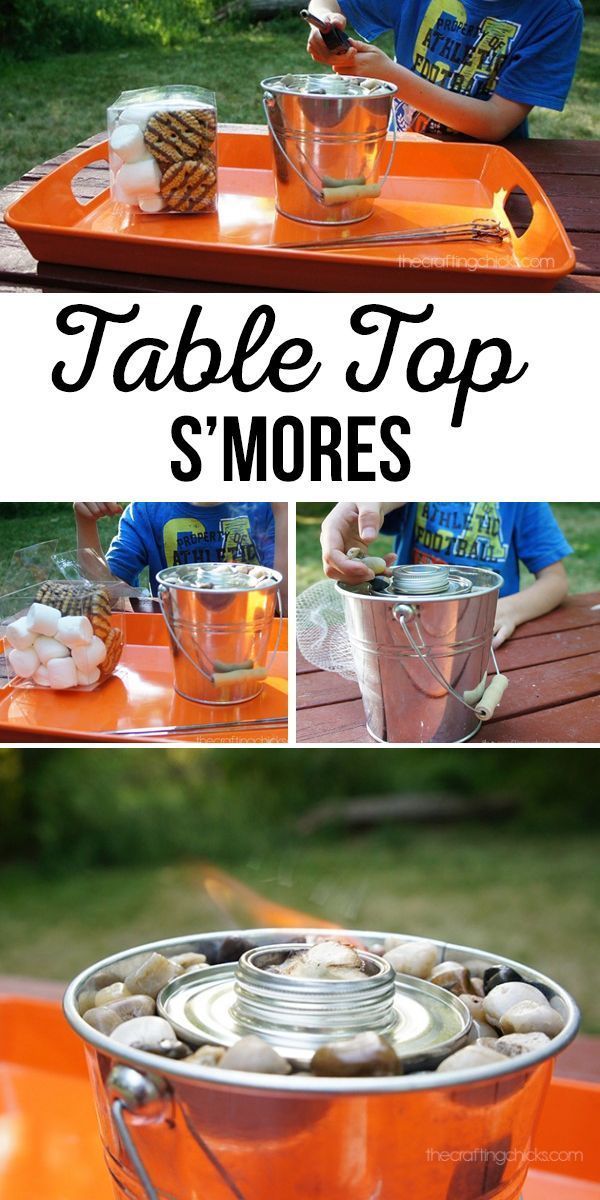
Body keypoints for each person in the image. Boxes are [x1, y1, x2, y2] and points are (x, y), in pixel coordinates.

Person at [306, 0, 583, 141]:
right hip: (400, 149)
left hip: (484, 174)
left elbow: (496, 122)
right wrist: (322, 24)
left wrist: (390, 75)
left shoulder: (557, 13)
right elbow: (328, 1)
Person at [321, 501, 571, 646]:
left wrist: (505, 611)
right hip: (407, 629)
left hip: (481, 637)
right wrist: (362, 501)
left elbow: (555, 580)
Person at [73, 502, 288, 612]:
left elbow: (283, 606)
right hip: (172, 641)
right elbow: (104, 595)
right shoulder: (146, 511)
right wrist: (85, 521)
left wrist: (283, 511)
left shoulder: (266, 506)